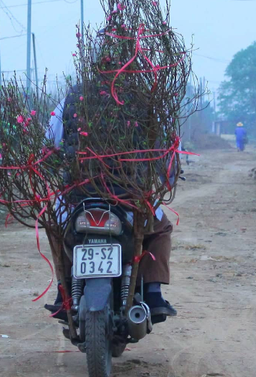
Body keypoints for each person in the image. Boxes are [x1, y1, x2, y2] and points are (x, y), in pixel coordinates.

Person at [45, 88, 178, 321]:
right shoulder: (144, 99)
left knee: (58, 229)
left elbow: (50, 144)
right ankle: (153, 294)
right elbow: (162, 149)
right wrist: (168, 172)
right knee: (161, 229)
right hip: (129, 195)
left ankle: (62, 292)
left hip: (78, 196)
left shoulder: (70, 100)